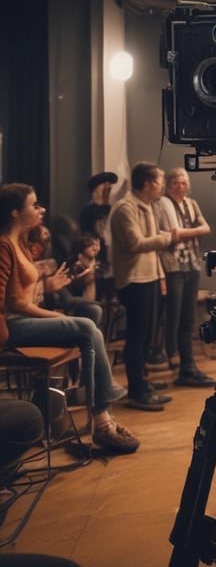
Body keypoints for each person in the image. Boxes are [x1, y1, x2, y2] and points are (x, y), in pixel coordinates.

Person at [0, 183, 138, 453]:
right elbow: (14, 303)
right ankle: (102, 422)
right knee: (86, 326)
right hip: (14, 326)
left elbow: (28, 290)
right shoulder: (4, 246)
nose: (41, 209)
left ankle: (101, 422)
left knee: (91, 332)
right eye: (34, 205)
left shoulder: (20, 243)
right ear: (15, 212)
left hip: (24, 319)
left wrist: (48, 287)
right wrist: (52, 313)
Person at [110, 162, 178, 411]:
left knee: (148, 336)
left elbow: (150, 249)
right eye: (159, 181)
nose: (162, 185)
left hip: (149, 278)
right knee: (137, 338)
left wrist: (160, 278)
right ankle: (137, 392)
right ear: (148, 183)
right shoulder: (125, 208)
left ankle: (143, 383)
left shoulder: (147, 205)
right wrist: (168, 237)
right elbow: (137, 243)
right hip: (134, 280)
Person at [154, 167, 214, 387]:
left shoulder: (191, 203)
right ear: (169, 185)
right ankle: (173, 356)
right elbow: (172, 234)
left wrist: (185, 233)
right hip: (172, 266)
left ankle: (188, 365)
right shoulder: (163, 204)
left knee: (188, 317)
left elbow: (205, 227)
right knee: (174, 314)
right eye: (176, 182)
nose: (181, 186)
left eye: (184, 182)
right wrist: (191, 232)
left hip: (191, 263)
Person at [79, 171, 118, 299]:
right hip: (94, 256)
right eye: (106, 189)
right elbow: (86, 234)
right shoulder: (88, 211)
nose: (108, 193)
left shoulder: (111, 209)